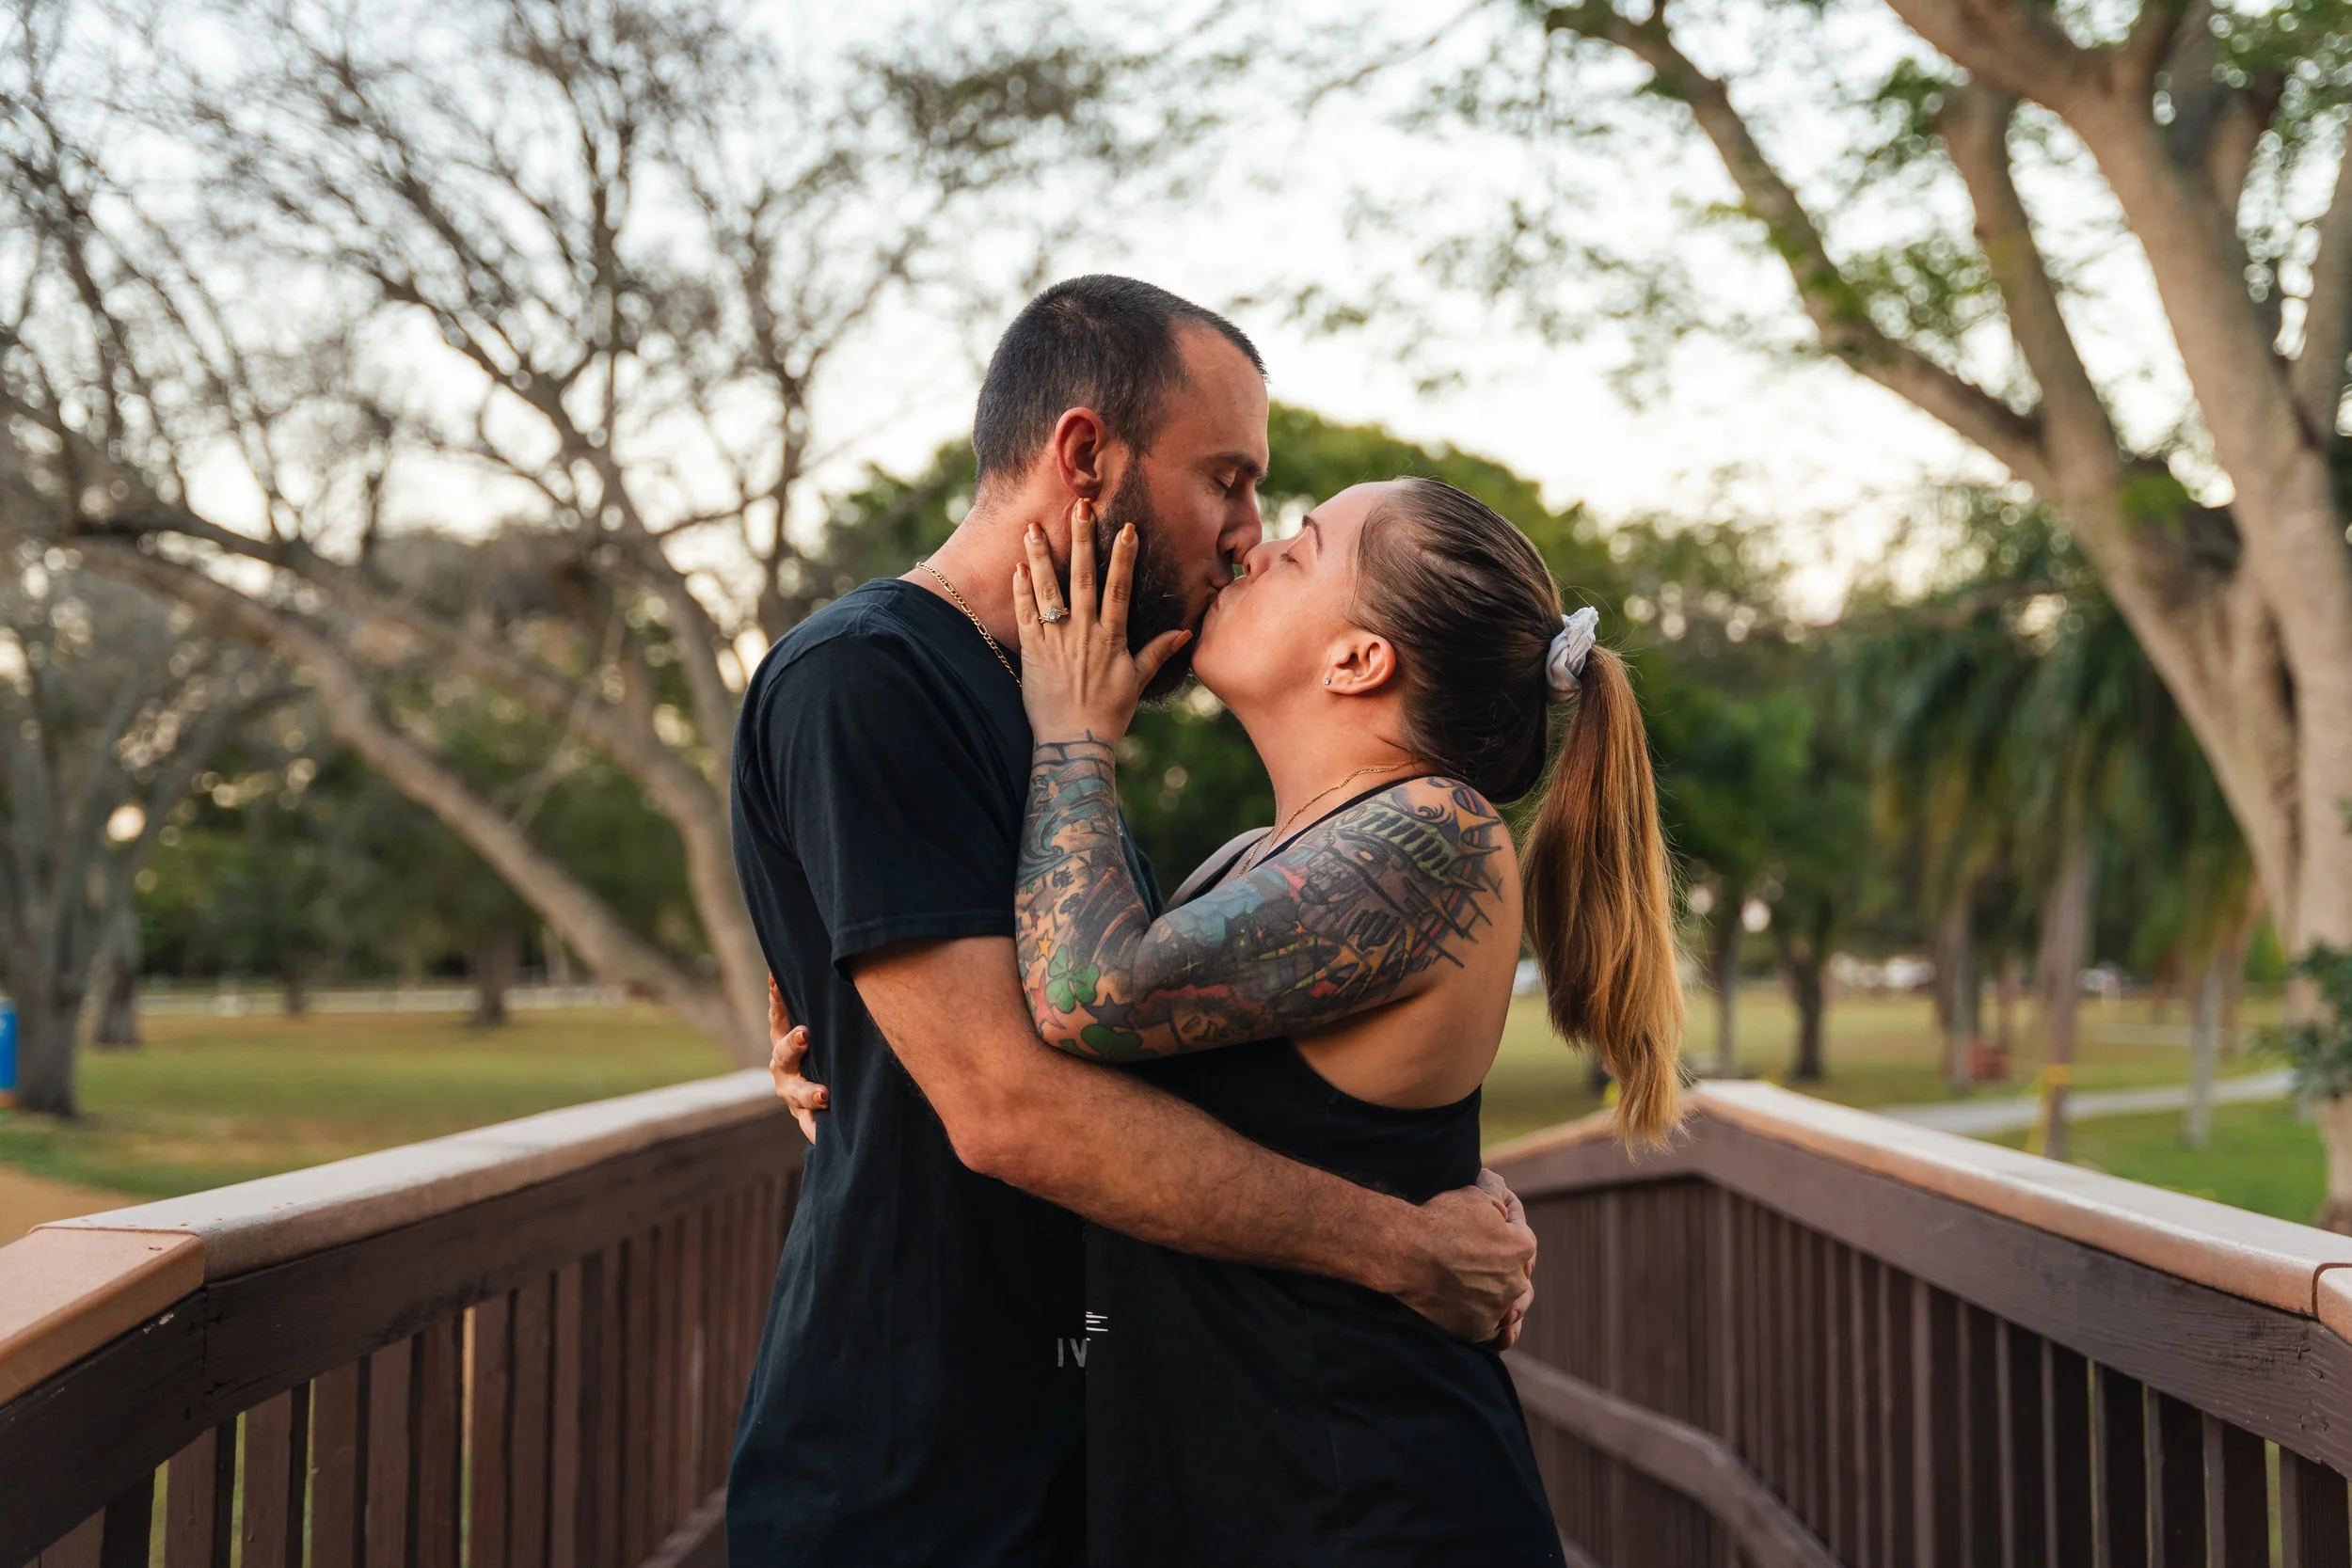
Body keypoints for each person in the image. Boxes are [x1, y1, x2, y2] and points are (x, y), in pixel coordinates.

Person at [725, 276, 1537, 1568]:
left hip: (1100, 1455)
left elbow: (1113, 1026)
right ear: (1087, 456)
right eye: (1228, 479)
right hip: (916, 1474)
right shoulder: (866, 675)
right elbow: (1009, 1101)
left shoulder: (1067, 725)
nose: (1245, 532)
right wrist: (1403, 1238)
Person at [1004, 479, 1684, 1565]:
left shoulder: (1439, 831)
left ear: (1359, 660)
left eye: (1303, 547)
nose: (1257, 550)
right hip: (1248, 1491)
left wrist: (1075, 737)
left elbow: (1093, 990)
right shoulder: (1250, 858)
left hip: (1368, 1503)